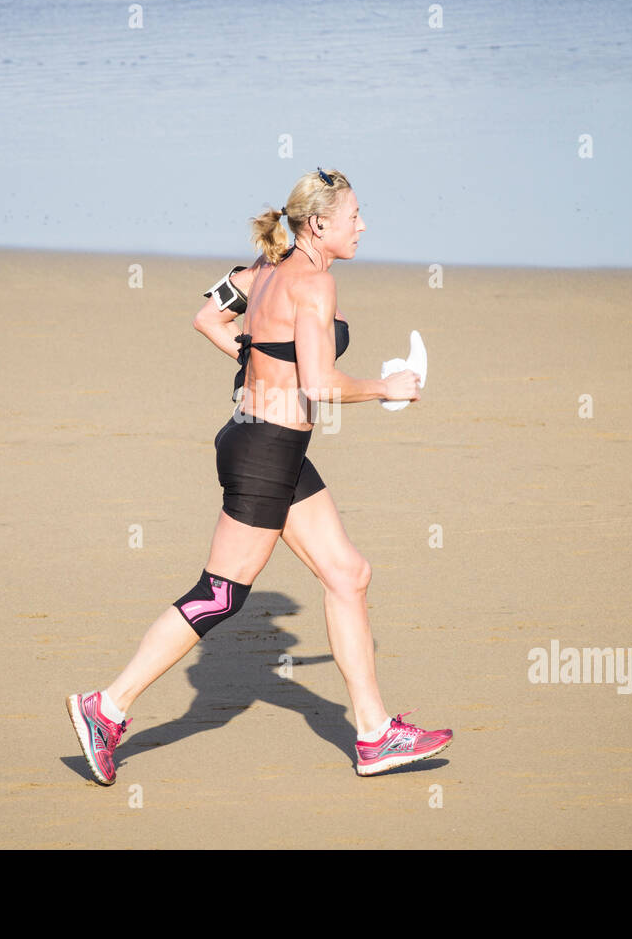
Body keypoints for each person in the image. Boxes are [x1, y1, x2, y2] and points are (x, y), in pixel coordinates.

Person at [67, 168, 451, 784]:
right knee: (218, 595)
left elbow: (207, 319)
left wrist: (254, 359)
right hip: (267, 453)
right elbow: (320, 386)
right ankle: (105, 708)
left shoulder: (261, 269)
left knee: (348, 574)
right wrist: (386, 387)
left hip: (262, 442)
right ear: (320, 223)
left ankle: (376, 734)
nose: (363, 225)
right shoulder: (315, 287)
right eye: (355, 215)